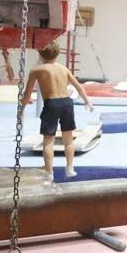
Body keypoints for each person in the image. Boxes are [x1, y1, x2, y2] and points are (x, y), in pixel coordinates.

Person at [23, 42, 93, 181]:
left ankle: (49, 172)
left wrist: (21, 110)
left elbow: (27, 93)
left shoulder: (37, 70)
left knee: (48, 140)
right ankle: (70, 168)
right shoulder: (64, 68)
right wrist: (87, 101)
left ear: (40, 53)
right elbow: (78, 86)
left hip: (52, 104)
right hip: (67, 103)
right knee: (68, 139)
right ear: (58, 53)